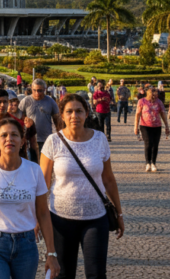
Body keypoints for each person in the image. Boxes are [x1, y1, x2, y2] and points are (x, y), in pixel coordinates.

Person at [39, 94, 125, 279]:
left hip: (95, 217)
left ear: (86, 113)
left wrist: (119, 213)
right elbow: (42, 185)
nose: (74, 116)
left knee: (96, 274)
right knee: (63, 274)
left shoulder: (100, 139)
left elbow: (108, 179)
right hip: (60, 219)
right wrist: (38, 217)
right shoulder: (52, 142)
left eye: (79, 111)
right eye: (69, 111)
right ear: (62, 115)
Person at [0, 116, 59, 279]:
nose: (9, 139)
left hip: (26, 245)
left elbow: (43, 213)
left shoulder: (34, 170)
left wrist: (51, 253)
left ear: (23, 141)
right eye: (4, 135)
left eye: (14, 135)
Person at [19, 79, 62, 157]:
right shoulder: (25, 101)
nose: (37, 93)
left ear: (45, 90)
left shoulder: (50, 102)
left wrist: (61, 136)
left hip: (46, 139)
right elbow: (19, 119)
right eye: (34, 90)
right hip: (30, 139)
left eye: (40, 91)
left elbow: (57, 120)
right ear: (31, 89)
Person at [134, 86, 169, 172]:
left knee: (155, 145)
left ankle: (153, 163)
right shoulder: (141, 101)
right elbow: (137, 114)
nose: (154, 96)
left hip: (157, 126)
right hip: (145, 125)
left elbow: (163, 114)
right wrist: (136, 127)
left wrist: (167, 126)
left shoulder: (159, 102)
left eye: (156, 94)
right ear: (148, 94)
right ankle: (147, 163)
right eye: (153, 94)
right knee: (148, 143)